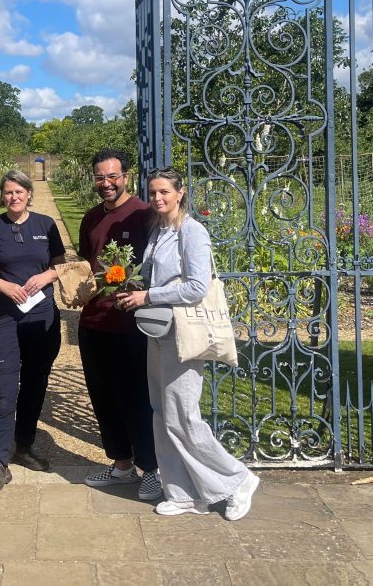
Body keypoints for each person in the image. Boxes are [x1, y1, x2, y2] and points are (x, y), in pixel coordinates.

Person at [115, 167, 260, 520]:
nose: (157, 198)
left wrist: (148, 295)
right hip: (160, 332)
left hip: (184, 333)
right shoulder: (158, 231)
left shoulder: (192, 232)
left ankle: (238, 479)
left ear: (180, 193)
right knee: (163, 414)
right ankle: (181, 493)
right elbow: (154, 276)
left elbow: (197, 286)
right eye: (152, 192)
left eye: (164, 191)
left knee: (184, 415)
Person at [0, 170, 65, 493]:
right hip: (5, 316)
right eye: (8, 192)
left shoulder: (45, 226)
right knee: (3, 384)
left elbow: (60, 265)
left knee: (35, 383)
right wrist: (4, 285)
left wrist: (47, 277)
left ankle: (23, 446)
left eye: (19, 192)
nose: (13, 197)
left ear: (28, 194)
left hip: (42, 317)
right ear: (3, 195)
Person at [77, 149, 161, 500]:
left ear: (126, 176)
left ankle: (151, 469)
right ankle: (122, 465)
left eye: (113, 176)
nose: (106, 183)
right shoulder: (91, 217)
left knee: (136, 399)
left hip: (130, 324)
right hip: (94, 322)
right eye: (100, 176)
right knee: (104, 398)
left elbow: (161, 263)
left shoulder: (145, 214)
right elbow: (86, 262)